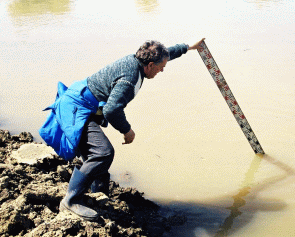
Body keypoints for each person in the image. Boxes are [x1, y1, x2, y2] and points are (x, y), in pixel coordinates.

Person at [39, 38, 205, 221]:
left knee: (96, 157)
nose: (162, 70)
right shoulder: (130, 79)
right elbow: (111, 110)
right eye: (160, 67)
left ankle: (98, 197)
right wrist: (127, 130)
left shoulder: (139, 59)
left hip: (85, 102)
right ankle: (70, 201)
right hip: (76, 108)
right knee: (102, 153)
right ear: (150, 65)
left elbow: (167, 54)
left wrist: (189, 47)